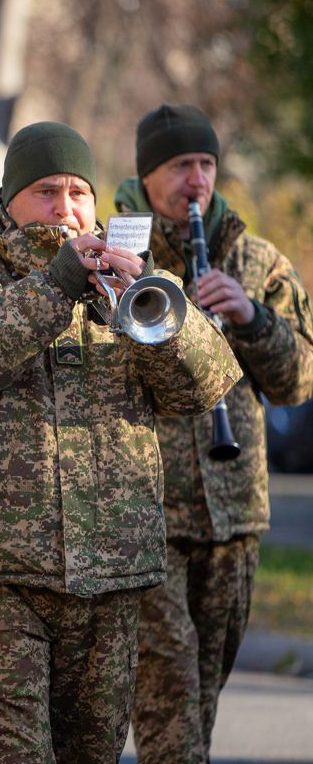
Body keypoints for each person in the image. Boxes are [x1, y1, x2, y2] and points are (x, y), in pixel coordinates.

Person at [0, 121, 241, 762]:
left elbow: (206, 389)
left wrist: (158, 309)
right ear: (9, 203)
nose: (66, 209)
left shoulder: (136, 281)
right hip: (1, 576)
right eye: (47, 192)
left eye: (79, 193)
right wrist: (52, 288)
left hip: (112, 577)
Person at [116, 104, 313, 763]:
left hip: (234, 513)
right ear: (148, 176)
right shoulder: (118, 251)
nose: (195, 179)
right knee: (169, 699)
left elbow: (299, 383)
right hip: (147, 514)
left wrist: (255, 319)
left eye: (205, 164)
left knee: (203, 692)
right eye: (179, 166)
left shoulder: (256, 259)